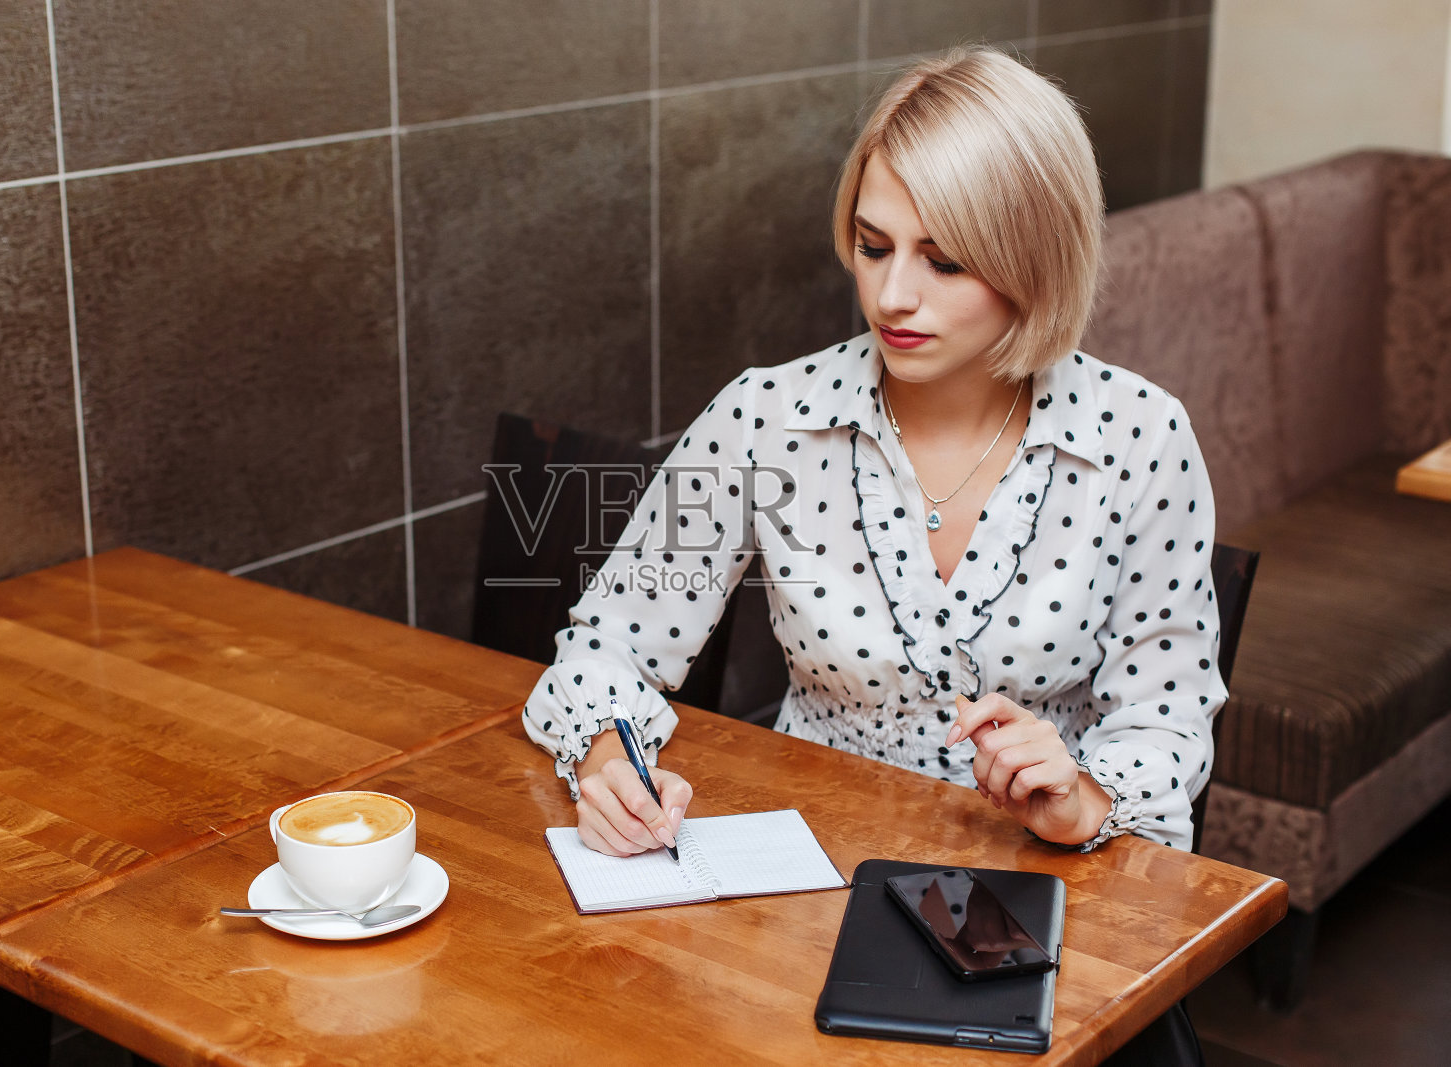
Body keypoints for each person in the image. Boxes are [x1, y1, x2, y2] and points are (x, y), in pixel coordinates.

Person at [522, 46, 1223, 871]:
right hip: (811, 872)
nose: (892, 297)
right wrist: (609, 765)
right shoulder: (765, 417)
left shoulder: (1140, 438)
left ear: (1036, 260)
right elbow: (609, 646)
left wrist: (1080, 799)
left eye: (945, 260)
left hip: (1045, 883)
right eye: (873, 244)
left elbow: (1166, 722)